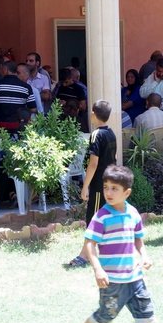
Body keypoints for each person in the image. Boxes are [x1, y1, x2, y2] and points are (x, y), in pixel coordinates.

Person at [65, 165, 163, 323]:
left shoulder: (133, 213)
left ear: (126, 192)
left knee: (145, 313)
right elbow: (90, 244)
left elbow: (139, 241)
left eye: (114, 188)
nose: (108, 192)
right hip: (113, 282)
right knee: (105, 315)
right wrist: (98, 269)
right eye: (106, 187)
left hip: (135, 278)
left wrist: (144, 255)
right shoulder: (101, 216)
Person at [68, 100, 118, 267]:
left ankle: (85, 255)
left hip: (98, 185)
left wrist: (85, 186)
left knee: (93, 219)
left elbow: (93, 163)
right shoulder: (111, 133)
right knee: (105, 218)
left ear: (93, 115)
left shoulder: (97, 134)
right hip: (109, 183)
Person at [0, 61, 36, 131]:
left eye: (2, 69)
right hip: (18, 126)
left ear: (6, 70)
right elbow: (33, 109)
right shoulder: (26, 87)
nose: (1, 72)